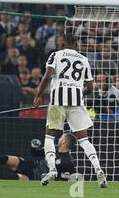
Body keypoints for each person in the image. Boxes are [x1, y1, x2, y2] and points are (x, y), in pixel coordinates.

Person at [33, 35, 107, 188]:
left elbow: (47, 76)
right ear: (76, 44)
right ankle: (98, 169)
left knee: (49, 136)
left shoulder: (56, 55)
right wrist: (79, 94)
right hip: (76, 102)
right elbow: (91, 87)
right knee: (84, 140)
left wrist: (38, 95)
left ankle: (52, 169)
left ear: (63, 43)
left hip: (57, 101)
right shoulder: (84, 59)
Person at [0, 134, 76, 181]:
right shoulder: (52, 149)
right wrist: (34, 147)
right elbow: (36, 154)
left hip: (36, 176)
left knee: (14, 178)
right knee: (6, 158)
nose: (59, 139)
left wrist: (46, 180)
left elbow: (63, 181)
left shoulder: (68, 162)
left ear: (64, 142)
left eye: (61, 138)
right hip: (31, 164)